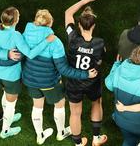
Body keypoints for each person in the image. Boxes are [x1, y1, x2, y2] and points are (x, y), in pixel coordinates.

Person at [22, 9, 97, 144]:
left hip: (30, 79)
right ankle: (61, 132)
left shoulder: (25, 33)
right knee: (60, 104)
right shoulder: (55, 42)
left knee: (37, 106)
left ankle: (40, 136)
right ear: (50, 23)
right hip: (49, 82)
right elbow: (64, 69)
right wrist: (85, 74)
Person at [0, 7, 55, 139]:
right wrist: (46, 41)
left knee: (5, 94)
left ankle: (7, 117)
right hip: (11, 76)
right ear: (16, 20)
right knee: (11, 104)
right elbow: (31, 54)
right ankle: (5, 130)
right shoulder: (16, 36)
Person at [64, 0, 108, 146]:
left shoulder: (72, 38)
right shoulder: (100, 43)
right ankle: (96, 138)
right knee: (96, 103)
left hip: (74, 81)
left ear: (78, 25)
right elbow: (100, 60)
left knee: (75, 112)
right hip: (92, 81)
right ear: (94, 26)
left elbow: (68, 13)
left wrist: (86, 0)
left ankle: (78, 143)